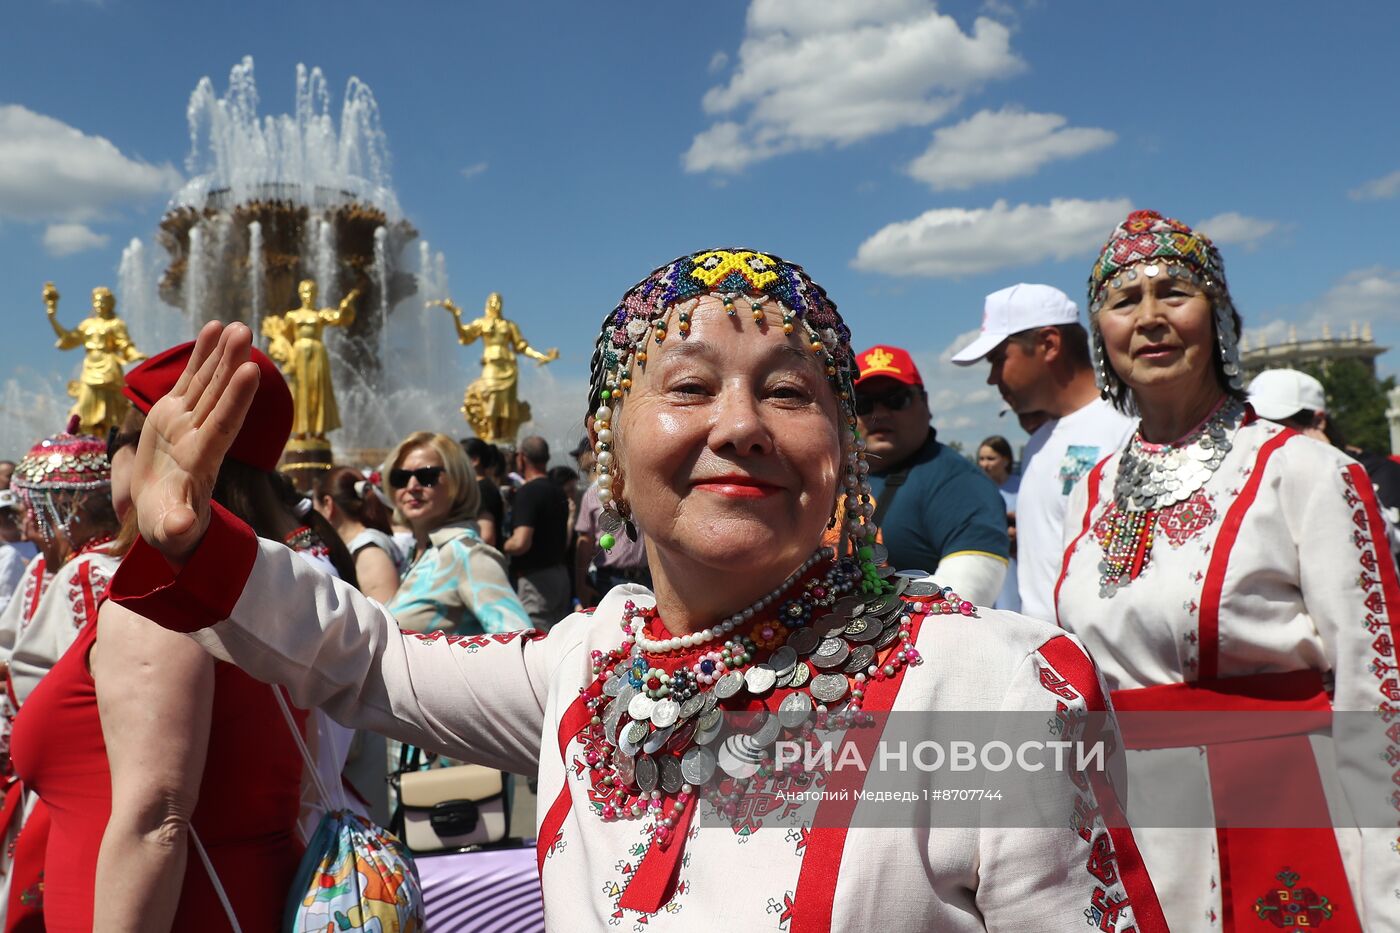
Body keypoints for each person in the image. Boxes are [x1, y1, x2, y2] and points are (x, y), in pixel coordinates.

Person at [107, 250, 1167, 930]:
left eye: (789, 393)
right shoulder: (588, 663)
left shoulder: (989, 686)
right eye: (690, 387)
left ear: (840, 455)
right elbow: (368, 657)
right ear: (612, 458)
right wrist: (198, 542)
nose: (739, 424)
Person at [1053, 209, 1397, 930]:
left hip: (1280, 811)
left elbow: (1377, 690)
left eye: (1175, 292)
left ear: (1220, 317)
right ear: (1102, 335)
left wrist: (1388, 886)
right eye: (1124, 301)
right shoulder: (1093, 489)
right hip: (1132, 824)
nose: (1149, 317)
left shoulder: (1303, 471)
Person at [7, 342, 338, 932]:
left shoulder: (165, 593)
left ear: (155, 448)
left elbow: (155, 820)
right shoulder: (279, 582)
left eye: (117, 442)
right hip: (247, 895)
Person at [952, 283, 1135, 622]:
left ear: (1049, 344)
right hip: (1052, 660)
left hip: (1106, 666)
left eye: (997, 359)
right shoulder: (1040, 441)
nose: (992, 378)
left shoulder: (1128, 426)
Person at [0, 424, 119, 928]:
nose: (25, 525)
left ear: (66, 509)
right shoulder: (47, 569)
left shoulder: (91, 572)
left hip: (75, 791)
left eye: (36, 509)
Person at [853, 345, 1009, 605]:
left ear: (924, 403)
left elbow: (964, 598)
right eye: (862, 403)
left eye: (897, 399)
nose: (879, 414)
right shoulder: (829, 477)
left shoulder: (961, 483)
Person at [384, 432, 530, 635]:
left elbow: (517, 641)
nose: (411, 487)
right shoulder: (422, 552)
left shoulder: (467, 554)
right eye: (400, 478)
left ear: (457, 481)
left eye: (427, 476)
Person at [1249, 368, 1400, 557]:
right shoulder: (1255, 473)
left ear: (1317, 421)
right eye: (1253, 425)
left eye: (1275, 425)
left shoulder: (1381, 472)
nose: (1262, 436)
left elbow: (1383, 543)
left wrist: (1327, 467)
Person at [436, 292, 560, 443]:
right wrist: (455, 316)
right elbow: (465, 336)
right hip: (491, 366)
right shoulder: (481, 323)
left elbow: (522, 346)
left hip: (509, 367)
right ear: (488, 304)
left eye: (499, 301)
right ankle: (491, 435)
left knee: (508, 403)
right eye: (493, 301)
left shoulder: (509, 325)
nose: (496, 304)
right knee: (491, 397)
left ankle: (507, 437)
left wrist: (541, 356)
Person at [42, 283, 147, 436]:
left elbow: (126, 346)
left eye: (102, 301)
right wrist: (52, 317)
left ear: (110, 303)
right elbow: (67, 338)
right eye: (96, 301)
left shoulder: (116, 324)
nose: (98, 304)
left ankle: (112, 441)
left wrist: (136, 355)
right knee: (84, 407)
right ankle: (84, 442)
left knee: (113, 411)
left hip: (110, 369)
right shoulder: (87, 324)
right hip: (90, 368)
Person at [260, 278, 360, 439]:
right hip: (299, 354)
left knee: (319, 389)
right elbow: (284, 336)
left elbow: (340, 318)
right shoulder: (292, 316)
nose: (308, 296)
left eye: (311, 292)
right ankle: (300, 430)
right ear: (300, 294)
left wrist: (347, 303)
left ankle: (319, 431)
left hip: (317, 353)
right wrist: (283, 352)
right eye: (305, 292)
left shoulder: (320, 314)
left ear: (316, 294)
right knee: (301, 390)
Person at [504, 436, 571, 629]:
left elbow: (520, 543)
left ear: (522, 457)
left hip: (536, 583)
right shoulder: (558, 491)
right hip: (560, 575)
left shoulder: (528, 492)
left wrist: (499, 545)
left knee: (538, 640)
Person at [314, 466, 405, 605]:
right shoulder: (364, 545)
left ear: (328, 504)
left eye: (315, 508)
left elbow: (386, 618)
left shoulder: (369, 551)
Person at [574, 475, 651, 608]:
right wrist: (581, 584)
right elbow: (585, 541)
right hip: (609, 579)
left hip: (647, 576)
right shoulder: (593, 494)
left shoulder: (644, 487)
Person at [976, 436, 1020, 612]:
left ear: (1006, 460)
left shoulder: (1021, 486)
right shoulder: (976, 488)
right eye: (982, 458)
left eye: (991, 458)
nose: (985, 464)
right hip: (987, 555)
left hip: (1015, 561)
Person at [462, 437, 506, 547]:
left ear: (474, 461)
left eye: (459, 458)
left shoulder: (482, 490)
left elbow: (487, 536)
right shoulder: (481, 487)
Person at [0, 492, 37, 617]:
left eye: (12, 513)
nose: (8, 518)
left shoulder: (38, 544)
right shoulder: (6, 552)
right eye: (2, 513)